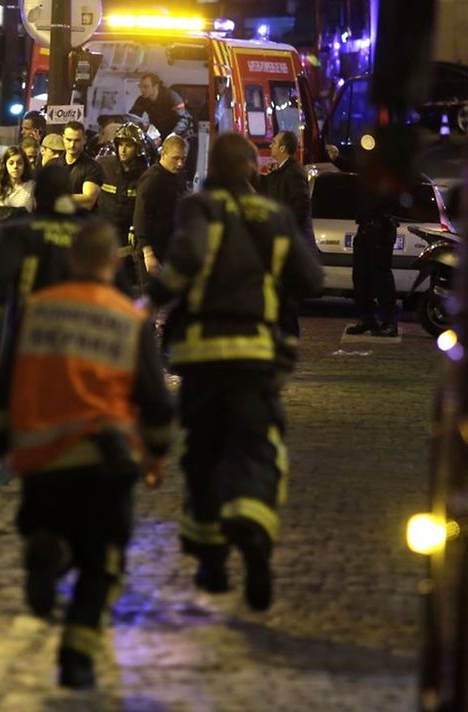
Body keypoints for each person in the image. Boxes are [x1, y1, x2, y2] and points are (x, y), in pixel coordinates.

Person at [0, 218, 175, 689]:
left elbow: (3, 385)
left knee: (45, 523)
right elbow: (154, 400)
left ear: (71, 259)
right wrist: (157, 453)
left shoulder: (38, 309)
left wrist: (0, 443)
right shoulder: (128, 318)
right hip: (103, 461)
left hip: (42, 460)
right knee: (101, 564)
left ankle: (46, 547)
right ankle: (76, 657)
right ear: (112, 263)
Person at [147, 133, 322, 611]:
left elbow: (180, 269)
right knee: (256, 448)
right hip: (256, 360)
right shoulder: (272, 216)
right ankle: (256, 538)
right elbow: (310, 278)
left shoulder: (199, 208)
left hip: (204, 360)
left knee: (203, 454)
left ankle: (212, 560)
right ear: (248, 167)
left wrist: (147, 302)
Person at [0, 163, 81, 337]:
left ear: (37, 194)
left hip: (30, 333)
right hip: (79, 335)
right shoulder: (91, 234)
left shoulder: (18, 232)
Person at [326, 142, 398, 336]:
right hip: (366, 227)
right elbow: (354, 167)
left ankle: (389, 322)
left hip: (381, 227)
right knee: (360, 276)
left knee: (381, 277)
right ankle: (368, 319)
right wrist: (337, 158)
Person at [257, 131, 321, 338]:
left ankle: (288, 338)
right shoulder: (284, 170)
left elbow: (300, 206)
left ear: (283, 148)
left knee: (284, 297)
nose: (271, 145)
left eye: (274, 142)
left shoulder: (293, 172)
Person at [96, 124, 150, 284]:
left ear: (138, 148)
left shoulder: (145, 174)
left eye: (128, 145)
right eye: (120, 144)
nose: (123, 150)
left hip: (129, 240)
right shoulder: (104, 166)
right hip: (104, 235)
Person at [132, 133, 189, 283]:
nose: (180, 164)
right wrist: (148, 253)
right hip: (154, 251)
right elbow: (140, 217)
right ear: (163, 154)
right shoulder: (152, 179)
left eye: (183, 159)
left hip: (170, 249)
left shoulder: (178, 177)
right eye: (175, 158)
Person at [62, 121, 101, 211]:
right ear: (63, 138)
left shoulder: (93, 166)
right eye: (69, 140)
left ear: (84, 140)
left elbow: (88, 201)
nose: (72, 145)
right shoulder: (53, 163)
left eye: (77, 140)